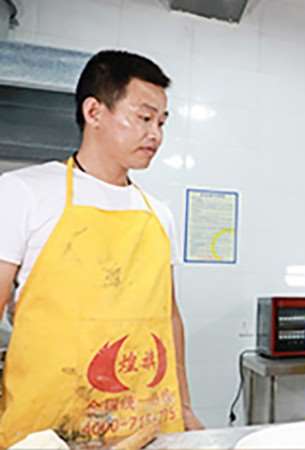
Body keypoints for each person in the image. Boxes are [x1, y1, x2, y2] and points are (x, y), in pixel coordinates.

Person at [0, 50, 203, 447]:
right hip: (49, 433)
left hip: (148, 426)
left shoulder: (157, 213)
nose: (156, 135)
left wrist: (185, 404)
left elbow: (169, 316)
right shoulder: (23, 192)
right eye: (144, 118)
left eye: (162, 122)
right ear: (94, 112)